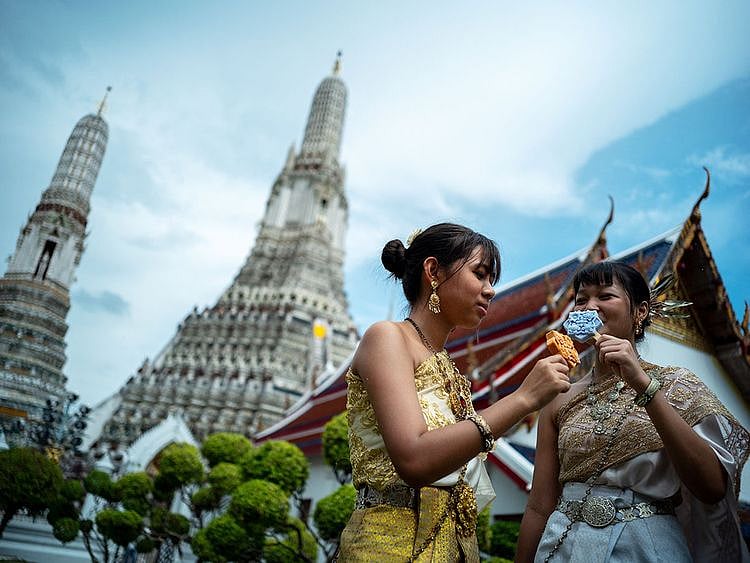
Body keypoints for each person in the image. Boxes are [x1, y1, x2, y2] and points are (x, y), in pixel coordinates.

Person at [337, 223, 571, 562]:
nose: (490, 290)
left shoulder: (449, 367)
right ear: (433, 271)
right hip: (388, 546)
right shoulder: (387, 338)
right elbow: (414, 459)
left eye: (492, 279)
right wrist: (523, 399)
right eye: (480, 274)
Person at [515, 261, 750, 562]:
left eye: (605, 296)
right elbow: (539, 506)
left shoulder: (678, 384)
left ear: (640, 312)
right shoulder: (560, 397)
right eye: (581, 299)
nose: (590, 307)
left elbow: (712, 488)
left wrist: (643, 385)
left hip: (647, 547)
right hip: (563, 547)